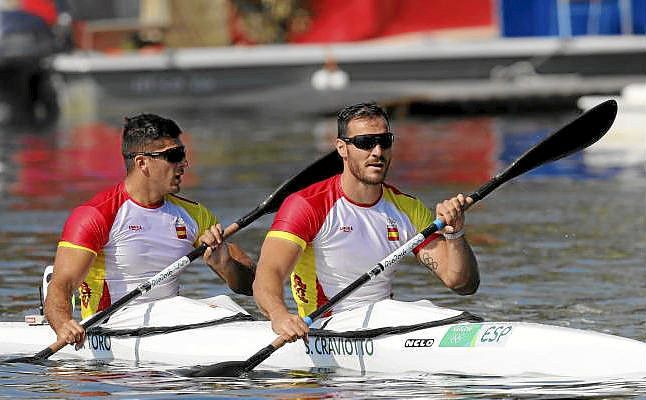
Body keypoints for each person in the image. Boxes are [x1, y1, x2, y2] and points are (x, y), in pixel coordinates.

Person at [253, 102, 479, 343]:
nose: (377, 152)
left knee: (427, 308)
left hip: (385, 324)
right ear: (342, 148)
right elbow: (268, 274)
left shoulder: (408, 209)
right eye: (365, 143)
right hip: (325, 327)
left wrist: (455, 234)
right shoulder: (307, 205)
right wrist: (279, 316)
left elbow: (461, 283)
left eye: (385, 141)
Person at [45, 114, 255, 348]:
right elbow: (60, 284)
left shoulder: (195, 215)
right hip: (110, 323)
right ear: (142, 163)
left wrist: (225, 265)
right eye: (174, 156)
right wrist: (63, 323)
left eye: (183, 154)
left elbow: (249, 285)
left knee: (226, 304)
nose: (184, 164)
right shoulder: (96, 215)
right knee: (215, 311)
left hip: (169, 320)